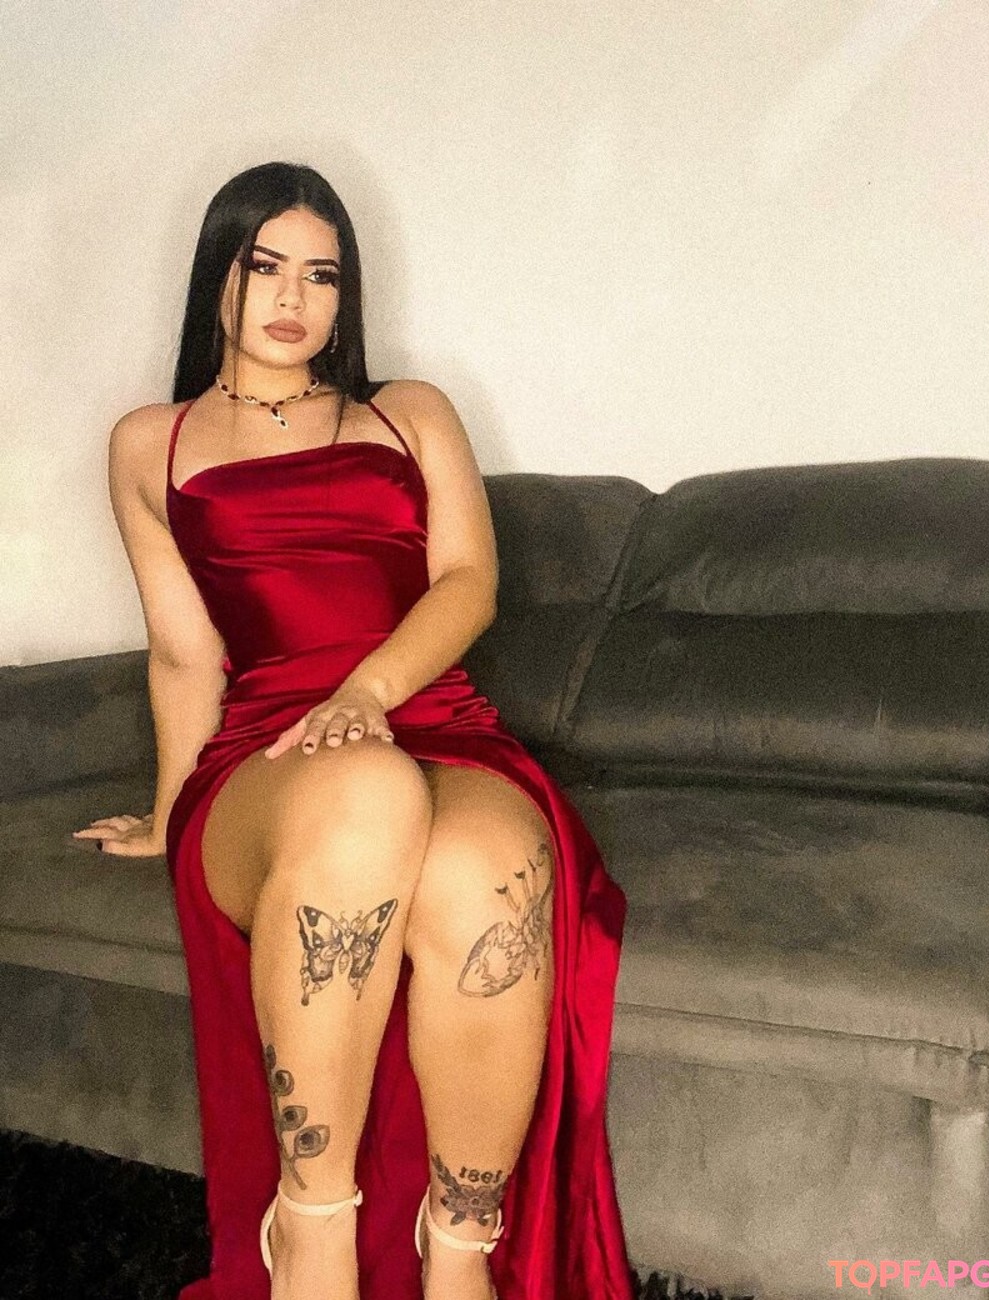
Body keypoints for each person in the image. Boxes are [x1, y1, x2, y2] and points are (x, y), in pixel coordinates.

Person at [72, 160, 634, 1300]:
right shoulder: (150, 442)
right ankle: (313, 1229)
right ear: (217, 275)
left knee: (489, 870)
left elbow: (468, 583)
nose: (294, 297)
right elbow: (184, 654)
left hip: (434, 719)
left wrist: (370, 692)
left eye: (322, 275)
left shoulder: (407, 411)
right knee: (367, 792)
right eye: (265, 265)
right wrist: (171, 812)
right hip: (270, 754)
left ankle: (459, 1254)